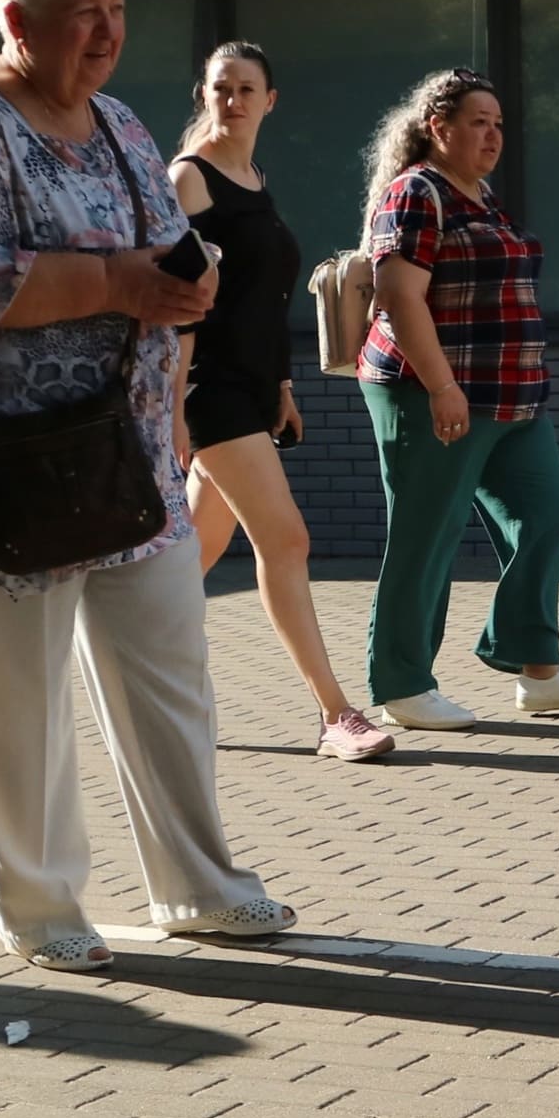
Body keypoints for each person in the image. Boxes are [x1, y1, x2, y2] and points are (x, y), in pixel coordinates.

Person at [0, 0, 288, 972]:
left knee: (171, 674)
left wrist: (188, 287)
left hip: (128, 447)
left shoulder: (121, 123)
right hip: (7, 461)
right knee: (21, 697)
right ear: (19, 21)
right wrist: (116, 284)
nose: (107, 32)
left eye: (117, 9)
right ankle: (41, 903)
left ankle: (200, 888)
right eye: (82, 13)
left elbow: (166, 247)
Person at [357, 67, 559, 728]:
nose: (494, 134)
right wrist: (441, 386)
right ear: (438, 128)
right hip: (432, 391)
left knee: (545, 511)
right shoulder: (416, 192)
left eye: (498, 123)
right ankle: (402, 685)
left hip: (511, 395)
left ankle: (536, 668)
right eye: (479, 122)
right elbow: (399, 297)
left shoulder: (481, 196)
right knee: (427, 534)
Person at [169, 40, 392, 762]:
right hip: (209, 390)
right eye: (220, 87)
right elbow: (180, 305)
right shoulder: (189, 179)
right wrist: (171, 409)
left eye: (245, 88)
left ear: (270, 100)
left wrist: (283, 386)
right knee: (286, 540)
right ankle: (335, 714)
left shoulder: (253, 178)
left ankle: (127, 664)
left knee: (189, 558)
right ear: (204, 95)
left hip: (252, 387)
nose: (231, 100)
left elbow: (261, 300)